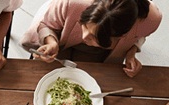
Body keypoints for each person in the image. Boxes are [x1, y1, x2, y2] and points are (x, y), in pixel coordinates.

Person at [20, 0, 162, 77]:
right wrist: (51, 41)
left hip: (104, 58)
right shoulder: (72, 2)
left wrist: (131, 52)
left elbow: (140, 36)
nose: (83, 36)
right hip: (61, 43)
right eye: (84, 26)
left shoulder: (151, 19)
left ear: (122, 36)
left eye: (95, 37)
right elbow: (47, 24)